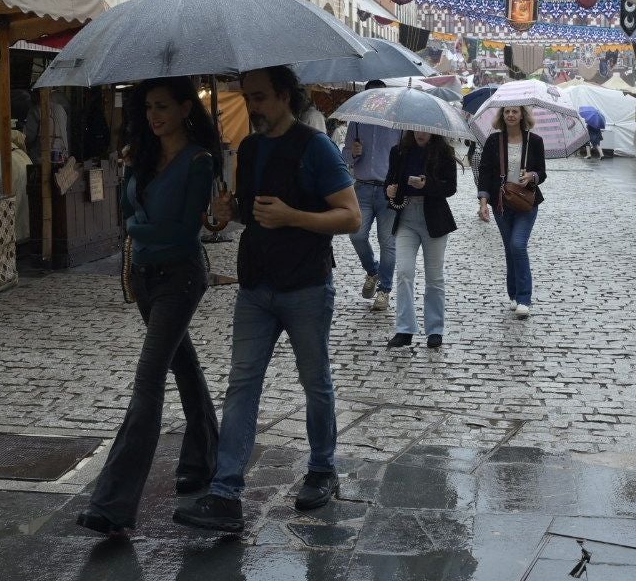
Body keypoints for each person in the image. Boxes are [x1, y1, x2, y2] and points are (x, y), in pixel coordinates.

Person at [175, 65, 361, 535]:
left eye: (258, 98)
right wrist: (226, 213)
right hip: (256, 286)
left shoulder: (316, 147)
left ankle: (322, 468)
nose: (251, 107)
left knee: (315, 382)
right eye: (247, 96)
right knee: (242, 385)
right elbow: (250, 211)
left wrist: (294, 216)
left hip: (306, 286)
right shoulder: (252, 147)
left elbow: (351, 217)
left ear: (283, 97)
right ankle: (225, 494)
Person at [78, 78, 222, 540]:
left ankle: (113, 503)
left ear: (185, 108)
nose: (153, 115)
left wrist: (140, 229)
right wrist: (134, 196)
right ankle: (203, 459)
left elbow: (181, 231)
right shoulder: (139, 156)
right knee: (184, 367)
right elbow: (129, 211)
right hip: (143, 277)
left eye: (162, 107)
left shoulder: (199, 161)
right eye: (148, 108)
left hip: (179, 278)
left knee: (148, 382)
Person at [384, 130, 459, 349]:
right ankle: (404, 329)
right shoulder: (398, 151)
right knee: (404, 272)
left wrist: (426, 186)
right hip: (406, 218)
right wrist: (388, 190)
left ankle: (435, 329)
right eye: (416, 129)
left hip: (434, 220)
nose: (420, 134)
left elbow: (450, 188)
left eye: (425, 130)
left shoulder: (444, 152)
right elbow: (389, 182)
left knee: (434, 277)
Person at [476, 105, 547, 319]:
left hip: (526, 202)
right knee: (509, 249)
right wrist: (483, 202)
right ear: (502, 115)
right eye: (507, 112)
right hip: (501, 203)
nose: (510, 115)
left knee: (518, 245)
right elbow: (485, 173)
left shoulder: (534, 141)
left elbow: (542, 172)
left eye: (515, 112)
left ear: (522, 115)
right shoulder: (493, 141)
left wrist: (532, 176)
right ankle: (513, 294)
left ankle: (524, 298)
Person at [343, 79, 397, 313]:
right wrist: (353, 153)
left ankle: (384, 289)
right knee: (356, 235)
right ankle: (373, 271)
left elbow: (404, 156)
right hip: (362, 188)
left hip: (388, 190)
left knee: (388, 243)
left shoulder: (397, 124)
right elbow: (344, 157)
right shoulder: (357, 122)